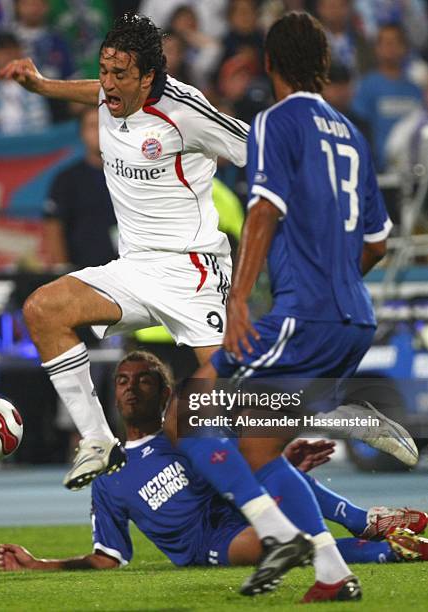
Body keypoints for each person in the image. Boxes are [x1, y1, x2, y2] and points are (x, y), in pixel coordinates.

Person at [162, 11, 415, 602]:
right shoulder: (352, 131)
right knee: (257, 444)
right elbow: (378, 240)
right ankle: (331, 571)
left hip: (304, 315)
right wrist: (338, 286)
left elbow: (263, 209)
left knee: (187, 411)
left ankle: (279, 535)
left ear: (270, 64)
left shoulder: (274, 120)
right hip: (355, 316)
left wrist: (240, 297)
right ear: (324, 65)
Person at [0, 13, 248, 490]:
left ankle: (340, 418)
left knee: (237, 398)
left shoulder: (185, 111)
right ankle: (97, 440)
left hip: (192, 270)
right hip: (134, 267)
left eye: (119, 75)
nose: (106, 85)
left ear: (148, 77)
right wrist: (43, 85)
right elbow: (91, 89)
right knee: (43, 309)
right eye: (104, 71)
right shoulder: (111, 92)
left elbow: (257, 146)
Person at [0, 351, 428, 573]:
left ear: (164, 394)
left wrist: (278, 457)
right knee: (281, 543)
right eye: (123, 382)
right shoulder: (109, 474)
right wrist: (38, 563)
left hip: (234, 508)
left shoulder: (180, 434)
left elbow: (239, 463)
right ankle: (386, 551)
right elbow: (110, 557)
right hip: (208, 543)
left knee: (258, 451)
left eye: (144, 381)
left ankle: (361, 517)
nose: (130, 389)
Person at [42, 105, 117, 269]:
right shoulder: (66, 180)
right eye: (91, 126)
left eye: (103, 125)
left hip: (128, 274)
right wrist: (63, 273)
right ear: (82, 134)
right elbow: (53, 228)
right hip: (82, 277)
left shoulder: (132, 176)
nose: (98, 132)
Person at [351, 23, 423, 171]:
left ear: (405, 47)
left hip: (413, 170)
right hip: (380, 170)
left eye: (395, 42)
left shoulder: (415, 90)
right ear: (376, 48)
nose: (390, 47)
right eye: (385, 42)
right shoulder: (366, 86)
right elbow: (359, 128)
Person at [0, 31, 51, 133]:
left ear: (20, 52)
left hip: (30, 142)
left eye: (13, 49)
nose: (9, 55)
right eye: (3, 50)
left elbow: (41, 120)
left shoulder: (32, 79)